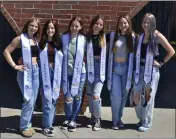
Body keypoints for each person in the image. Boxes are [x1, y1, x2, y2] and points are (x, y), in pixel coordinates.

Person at [132, 13, 175, 132]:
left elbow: (171, 51)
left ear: (153, 23)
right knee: (135, 97)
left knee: (148, 98)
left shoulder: (157, 35)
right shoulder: (140, 37)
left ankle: (146, 122)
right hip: (139, 70)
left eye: (148, 22)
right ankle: (142, 118)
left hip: (151, 71)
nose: (146, 24)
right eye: (144, 22)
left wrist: (161, 62)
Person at [3, 18, 41, 137]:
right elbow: (6, 51)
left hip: (36, 72)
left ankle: (28, 124)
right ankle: (23, 127)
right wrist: (15, 66)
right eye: (32, 25)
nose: (34, 28)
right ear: (27, 25)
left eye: (36, 26)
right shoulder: (20, 39)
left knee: (32, 101)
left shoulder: (35, 40)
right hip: (25, 73)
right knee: (28, 100)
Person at [107, 15, 137, 130]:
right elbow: (110, 51)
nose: (123, 25)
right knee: (116, 97)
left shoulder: (133, 37)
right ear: (118, 25)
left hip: (126, 70)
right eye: (121, 23)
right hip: (115, 70)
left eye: (125, 23)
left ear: (129, 24)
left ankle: (119, 119)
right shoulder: (114, 36)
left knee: (124, 96)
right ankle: (115, 121)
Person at [60, 16, 86, 132]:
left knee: (78, 96)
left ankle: (74, 120)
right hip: (67, 73)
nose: (74, 28)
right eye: (72, 25)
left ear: (80, 27)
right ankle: (68, 117)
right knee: (68, 96)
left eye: (77, 26)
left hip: (80, 73)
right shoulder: (64, 38)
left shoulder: (84, 39)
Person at [39, 19, 63, 137]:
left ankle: (49, 123)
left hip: (56, 72)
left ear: (55, 30)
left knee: (53, 99)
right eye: (48, 28)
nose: (50, 30)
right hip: (45, 73)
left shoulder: (57, 43)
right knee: (47, 100)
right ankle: (45, 127)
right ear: (45, 30)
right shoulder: (41, 43)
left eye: (52, 28)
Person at [86, 15, 107, 131]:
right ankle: (93, 116)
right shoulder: (86, 37)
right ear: (93, 23)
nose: (98, 26)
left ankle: (98, 118)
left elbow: (123, 37)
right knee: (89, 94)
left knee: (96, 95)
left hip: (100, 67)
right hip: (89, 67)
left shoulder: (104, 37)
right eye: (97, 23)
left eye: (101, 24)